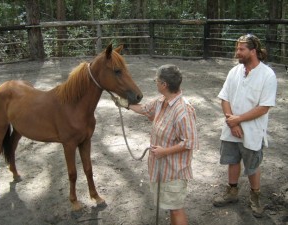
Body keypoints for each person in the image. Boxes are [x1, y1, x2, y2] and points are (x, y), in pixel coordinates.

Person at [114, 64, 198, 225]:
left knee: (176, 208)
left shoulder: (183, 110)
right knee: (171, 206)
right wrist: (124, 104)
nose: (155, 82)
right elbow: (145, 109)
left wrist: (165, 151)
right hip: (161, 168)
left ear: (164, 84)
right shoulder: (161, 101)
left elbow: (189, 142)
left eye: (156, 80)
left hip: (174, 171)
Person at [213, 34, 277, 218]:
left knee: (252, 165)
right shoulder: (235, 72)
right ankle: (232, 192)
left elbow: (264, 107)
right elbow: (224, 97)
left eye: (241, 49)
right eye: (237, 49)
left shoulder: (267, 75)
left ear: (253, 51)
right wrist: (231, 122)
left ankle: (255, 196)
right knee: (232, 160)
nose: (237, 52)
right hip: (231, 127)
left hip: (252, 131)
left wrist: (237, 120)